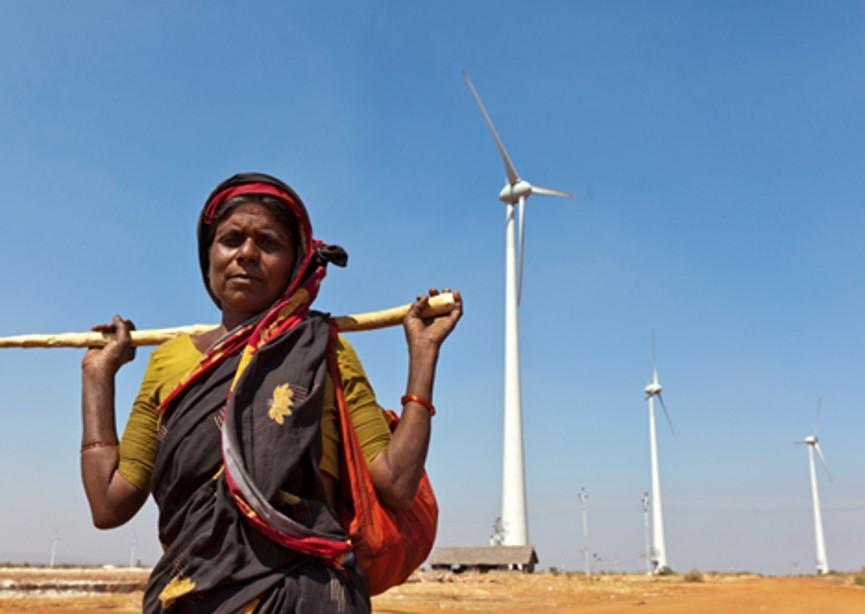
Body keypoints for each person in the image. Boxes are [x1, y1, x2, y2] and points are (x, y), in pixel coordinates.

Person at [79, 172, 463, 612]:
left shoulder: (324, 349)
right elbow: (109, 505)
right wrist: (97, 376)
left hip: (306, 597)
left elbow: (396, 484)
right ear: (208, 256)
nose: (247, 254)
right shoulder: (169, 362)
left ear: (296, 262)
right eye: (231, 239)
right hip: (191, 598)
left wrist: (424, 355)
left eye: (269, 243)